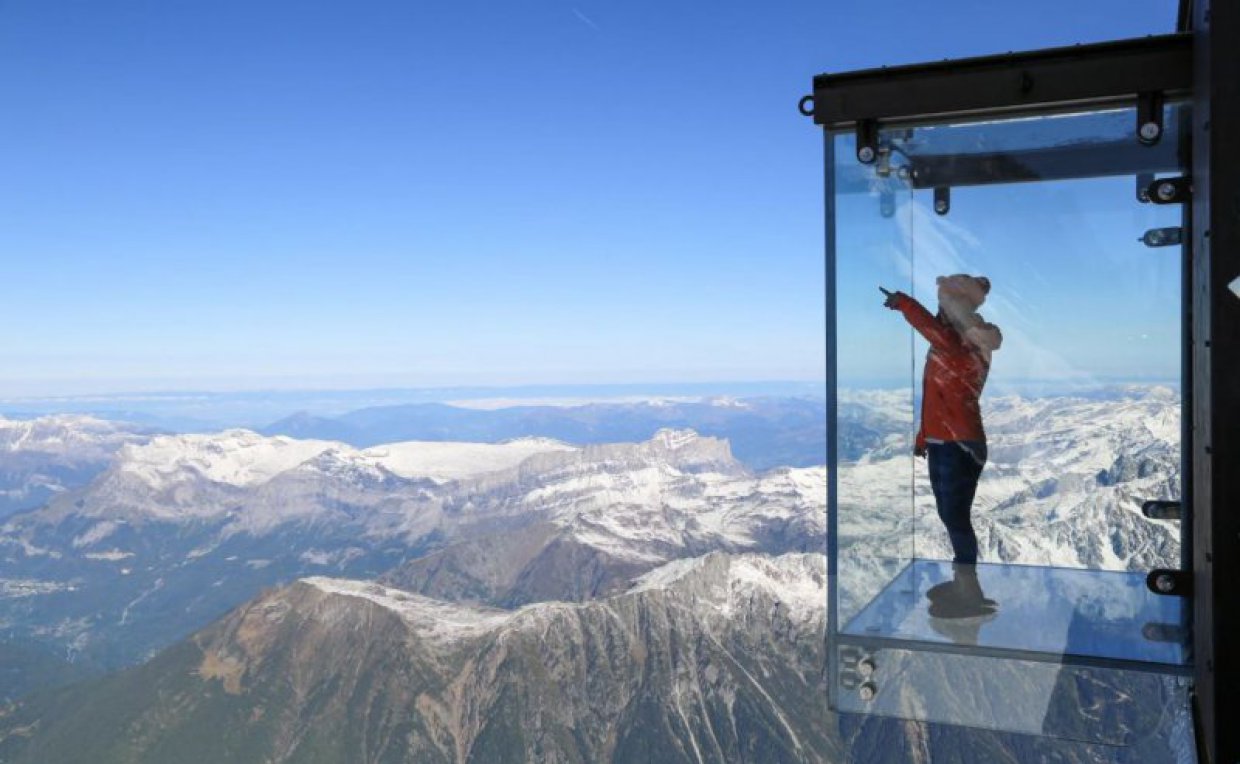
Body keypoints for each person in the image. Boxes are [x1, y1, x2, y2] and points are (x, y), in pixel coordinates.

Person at [880, 275, 1002, 618]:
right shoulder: (953, 341)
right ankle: (964, 583)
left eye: (943, 304)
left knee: (955, 516)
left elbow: (935, 333)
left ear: (956, 306)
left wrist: (904, 303)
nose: (938, 311)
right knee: (949, 515)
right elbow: (936, 397)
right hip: (944, 440)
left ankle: (969, 589)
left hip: (959, 442)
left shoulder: (964, 343)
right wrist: (924, 437)